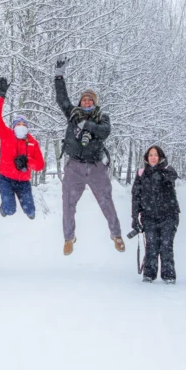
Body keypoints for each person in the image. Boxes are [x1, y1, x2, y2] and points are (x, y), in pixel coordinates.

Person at [54, 59, 125, 255]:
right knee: (68, 203)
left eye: (90, 100)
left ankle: (116, 234)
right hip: (74, 166)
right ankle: (69, 238)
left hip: (96, 167)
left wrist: (87, 126)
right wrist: (59, 76)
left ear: (95, 103)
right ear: (80, 101)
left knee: (106, 201)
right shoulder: (72, 114)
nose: (87, 102)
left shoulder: (102, 117)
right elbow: (61, 98)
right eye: (84, 99)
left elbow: (105, 131)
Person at [0, 77, 45, 219]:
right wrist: (1, 96)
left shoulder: (33, 142)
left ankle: (28, 210)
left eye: (24, 124)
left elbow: (40, 165)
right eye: (18, 124)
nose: (21, 126)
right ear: (14, 126)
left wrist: (28, 161)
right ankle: (4, 207)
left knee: (31, 212)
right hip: (6, 179)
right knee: (10, 210)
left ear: (27, 127)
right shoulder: (6, 135)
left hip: (23, 181)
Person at [131, 146, 180, 284]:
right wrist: (134, 218)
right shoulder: (141, 174)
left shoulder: (167, 170)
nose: (153, 157)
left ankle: (168, 275)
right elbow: (136, 197)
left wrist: (162, 170)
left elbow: (173, 176)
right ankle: (149, 274)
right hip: (149, 216)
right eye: (150, 155)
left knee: (166, 245)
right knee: (151, 245)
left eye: (156, 155)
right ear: (147, 157)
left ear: (160, 157)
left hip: (169, 215)